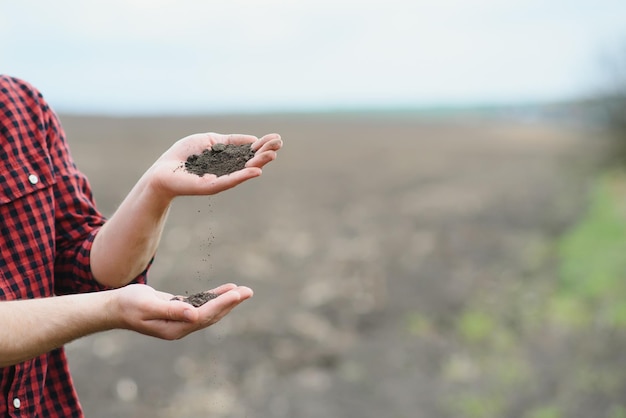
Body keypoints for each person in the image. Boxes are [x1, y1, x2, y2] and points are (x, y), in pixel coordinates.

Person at [0, 75, 283, 417]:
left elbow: (82, 266)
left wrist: (156, 189)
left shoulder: (19, 105)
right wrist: (112, 308)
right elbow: (103, 297)